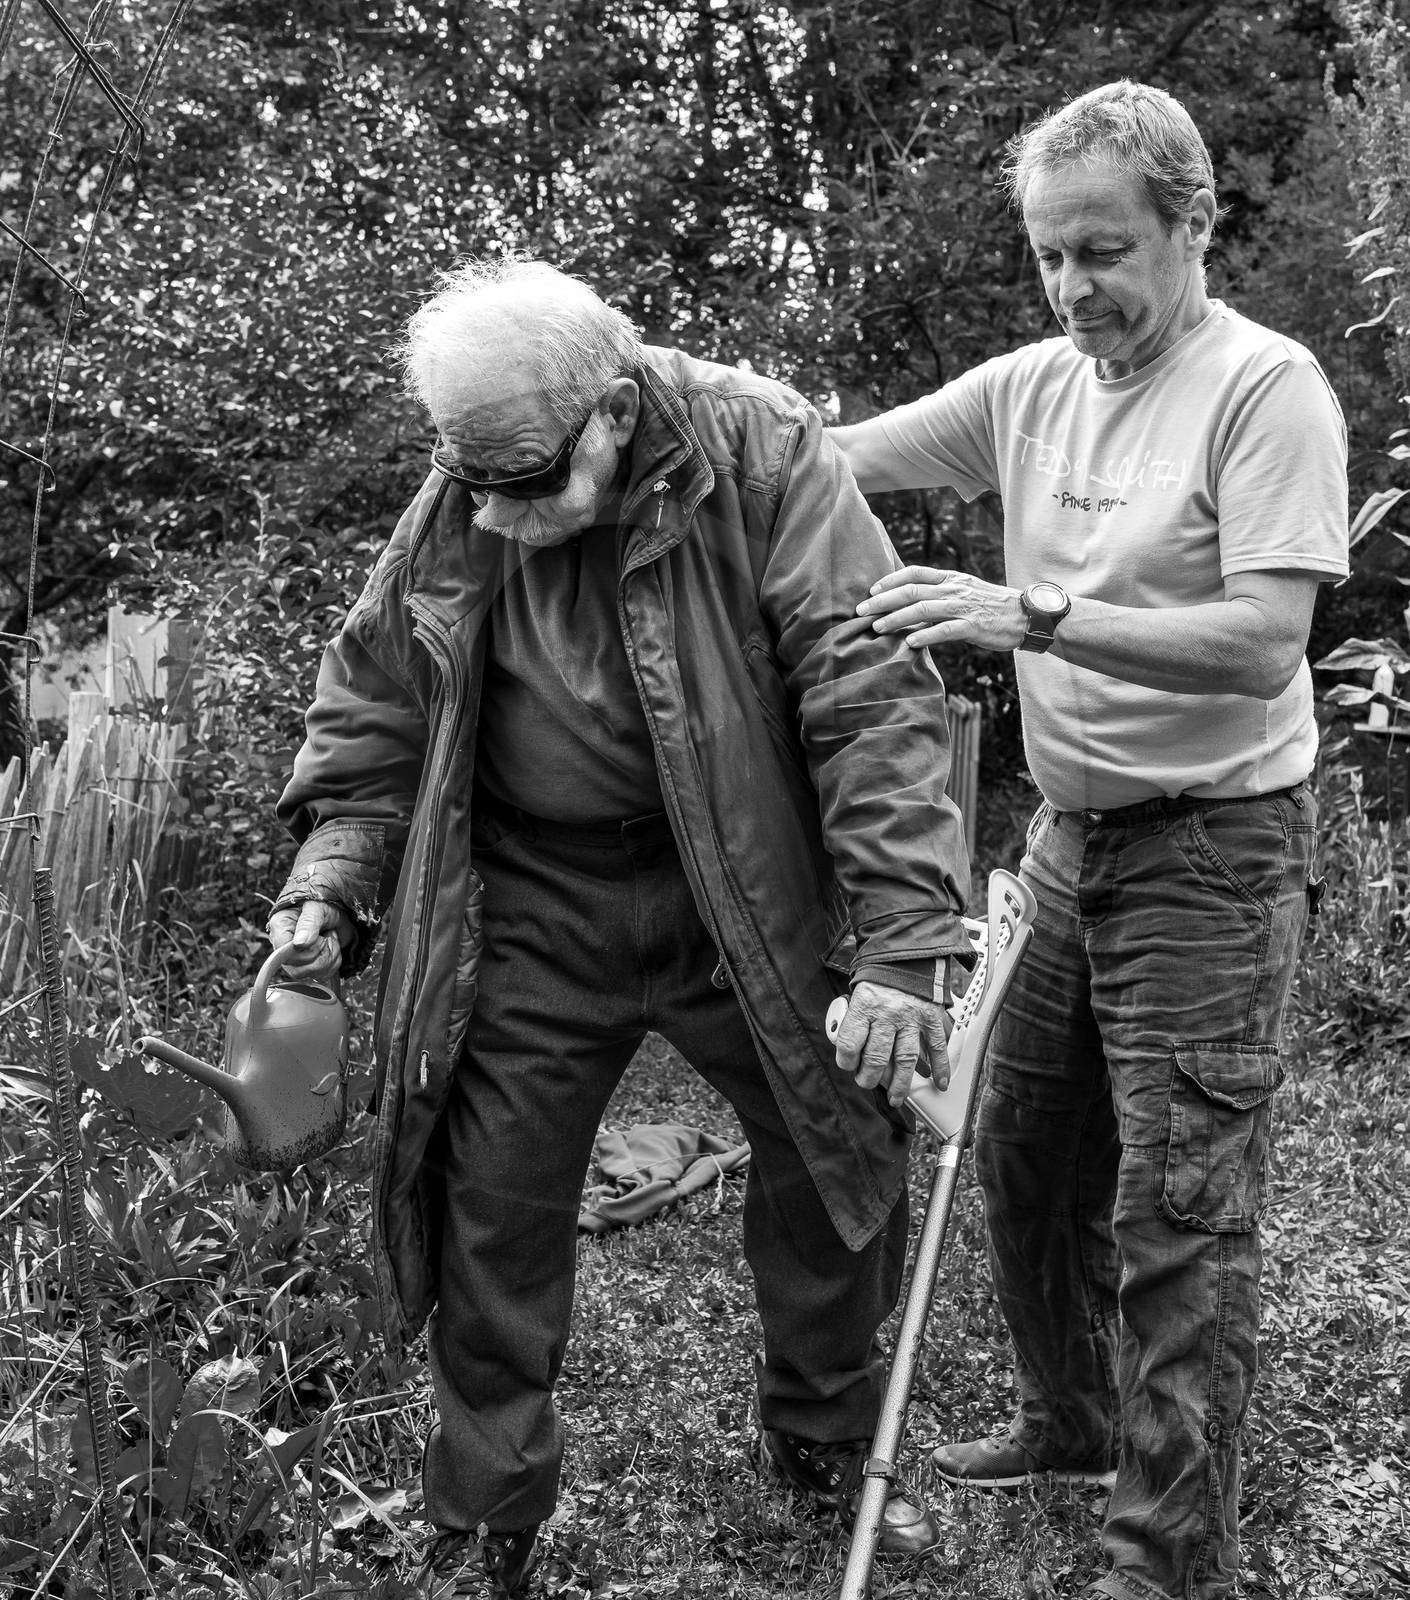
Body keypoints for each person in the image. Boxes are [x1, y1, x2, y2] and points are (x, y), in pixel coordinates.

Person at [268, 258, 973, 1596]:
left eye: (527, 478)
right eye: (475, 479)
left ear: (611, 405)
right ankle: (488, 1507)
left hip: (741, 886)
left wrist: (899, 943)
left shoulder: (760, 449)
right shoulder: (469, 492)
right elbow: (374, 704)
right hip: (534, 901)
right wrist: (334, 874)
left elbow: (868, 692)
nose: (497, 510)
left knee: (836, 1153)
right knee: (492, 1193)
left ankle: (823, 1438)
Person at [828, 80, 1349, 1600]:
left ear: (1193, 225)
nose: (1075, 289)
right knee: (1025, 1150)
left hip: (1219, 848)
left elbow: (1263, 646)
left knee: (1178, 1206)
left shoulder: (1268, 389)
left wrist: (1029, 613)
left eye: (1106, 250)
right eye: (1052, 255)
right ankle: (1069, 1415)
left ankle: (1164, 1557)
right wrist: (642, 385)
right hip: (1070, 840)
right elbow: (828, 454)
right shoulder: (1026, 388)